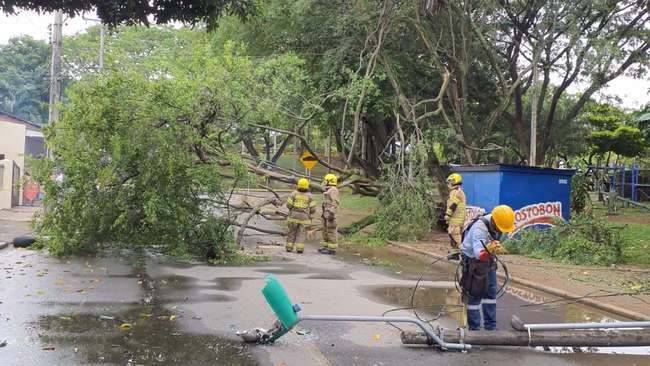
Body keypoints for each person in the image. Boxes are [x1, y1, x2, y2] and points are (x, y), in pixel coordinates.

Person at [460, 205, 515, 331]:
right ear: (494, 221)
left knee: (490, 293)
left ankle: (491, 328)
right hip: (473, 260)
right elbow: (480, 254)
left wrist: (494, 248)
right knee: (475, 295)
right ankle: (474, 331)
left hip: (488, 259)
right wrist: (489, 250)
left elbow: (493, 245)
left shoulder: (500, 224)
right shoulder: (480, 227)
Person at [285, 178, 317, 254]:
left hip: (293, 218)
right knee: (302, 233)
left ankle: (289, 248)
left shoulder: (293, 194)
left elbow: (288, 205)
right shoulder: (310, 196)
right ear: (307, 186)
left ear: (298, 185)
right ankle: (299, 249)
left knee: (291, 232)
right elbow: (313, 209)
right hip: (304, 219)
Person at [318, 173, 339, 255]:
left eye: (325, 181)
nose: (324, 182)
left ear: (329, 181)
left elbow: (335, 202)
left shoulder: (333, 190)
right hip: (326, 215)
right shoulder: (328, 190)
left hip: (330, 215)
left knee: (331, 231)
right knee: (325, 231)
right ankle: (326, 247)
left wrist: (332, 213)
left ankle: (332, 249)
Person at [444, 173, 466, 250]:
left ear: (454, 181)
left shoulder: (455, 192)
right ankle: (456, 253)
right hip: (458, 219)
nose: (448, 184)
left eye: (450, 181)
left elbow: (453, 205)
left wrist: (447, 215)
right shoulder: (459, 191)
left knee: (455, 236)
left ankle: (461, 253)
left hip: (455, 219)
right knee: (454, 237)